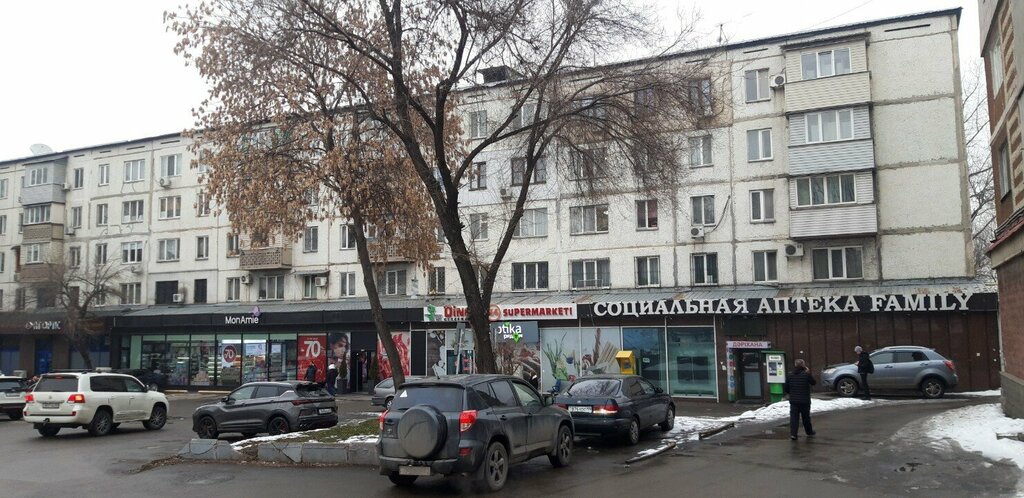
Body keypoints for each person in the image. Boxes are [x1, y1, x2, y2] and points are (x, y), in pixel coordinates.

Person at [784, 358, 816, 441]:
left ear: (795, 365)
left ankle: (793, 434)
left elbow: (786, 389)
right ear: (803, 365)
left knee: (794, 418)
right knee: (806, 417)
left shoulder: (790, 375)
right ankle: (809, 432)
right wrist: (808, 372)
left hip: (794, 401)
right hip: (804, 400)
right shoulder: (806, 374)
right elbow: (813, 382)